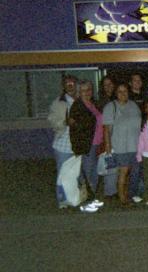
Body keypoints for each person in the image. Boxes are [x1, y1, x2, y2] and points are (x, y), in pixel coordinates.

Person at [103, 83, 142, 206]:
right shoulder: (110, 107)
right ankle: (122, 198)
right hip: (120, 146)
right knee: (123, 172)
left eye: (125, 91)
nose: (123, 94)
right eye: (119, 91)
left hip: (134, 146)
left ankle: (128, 194)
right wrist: (108, 146)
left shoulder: (134, 105)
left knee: (132, 173)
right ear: (116, 93)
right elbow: (106, 129)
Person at [69, 80, 105, 213]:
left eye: (89, 89)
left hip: (97, 144)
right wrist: (77, 148)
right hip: (86, 146)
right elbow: (73, 129)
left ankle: (92, 198)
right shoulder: (77, 106)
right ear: (79, 92)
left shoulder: (94, 104)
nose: (87, 92)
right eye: (84, 90)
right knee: (87, 175)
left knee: (95, 174)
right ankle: (85, 202)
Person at [47, 74, 78, 208]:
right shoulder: (58, 102)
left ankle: (74, 199)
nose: (70, 86)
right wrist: (65, 122)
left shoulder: (80, 100)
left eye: (72, 84)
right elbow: (52, 121)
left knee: (75, 174)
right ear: (64, 86)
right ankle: (63, 201)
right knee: (62, 175)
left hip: (77, 145)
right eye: (68, 84)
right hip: (62, 145)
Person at [96, 75, 118, 199]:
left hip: (118, 136)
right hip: (106, 137)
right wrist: (107, 141)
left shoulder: (117, 99)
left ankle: (114, 189)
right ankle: (110, 192)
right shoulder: (101, 102)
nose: (108, 87)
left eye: (110, 84)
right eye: (105, 85)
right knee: (110, 164)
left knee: (116, 164)